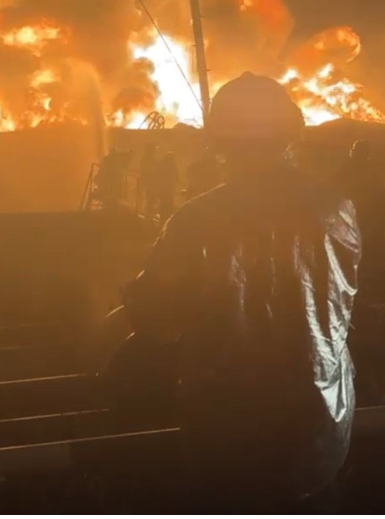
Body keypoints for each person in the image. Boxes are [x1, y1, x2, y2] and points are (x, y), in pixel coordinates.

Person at [121, 72, 360, 512]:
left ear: (221, 140)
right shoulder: (337, 206)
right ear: (291, 133)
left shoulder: (197, 220)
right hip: (320, 430)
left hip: (229, 435)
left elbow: (157, 320)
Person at [152, 151, 178, 222]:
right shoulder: (173, 165)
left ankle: (163, 218)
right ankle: (167, 218)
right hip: (169, 188)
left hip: (163, 188)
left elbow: (157, 175)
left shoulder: (161, 165)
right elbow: (176, 176)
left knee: (163, 203)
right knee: (168, 203)